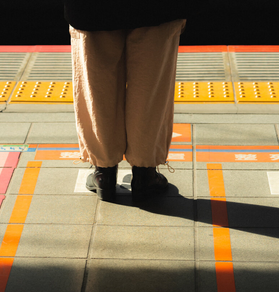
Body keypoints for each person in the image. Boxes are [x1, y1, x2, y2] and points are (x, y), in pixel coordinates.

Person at [63, 1, 193, 202]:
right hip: (157, 7)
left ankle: (103, 173)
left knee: (96, 82)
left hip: (91, 8)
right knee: (151, 87)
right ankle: (144, 174)